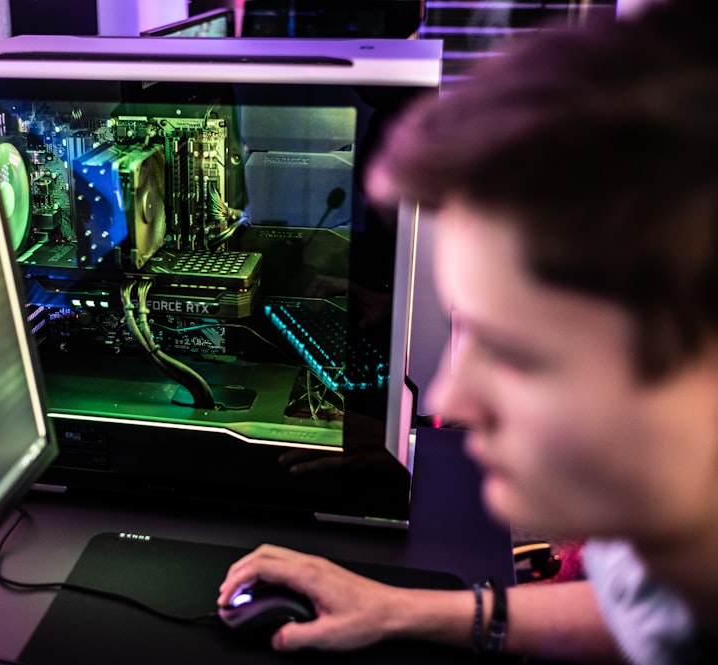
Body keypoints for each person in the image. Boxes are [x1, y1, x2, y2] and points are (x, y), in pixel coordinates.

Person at [217, 0, 718, 662]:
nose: (452, 396)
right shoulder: (667, 552)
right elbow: (640, 614)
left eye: (515, 351)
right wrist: (394, 607)